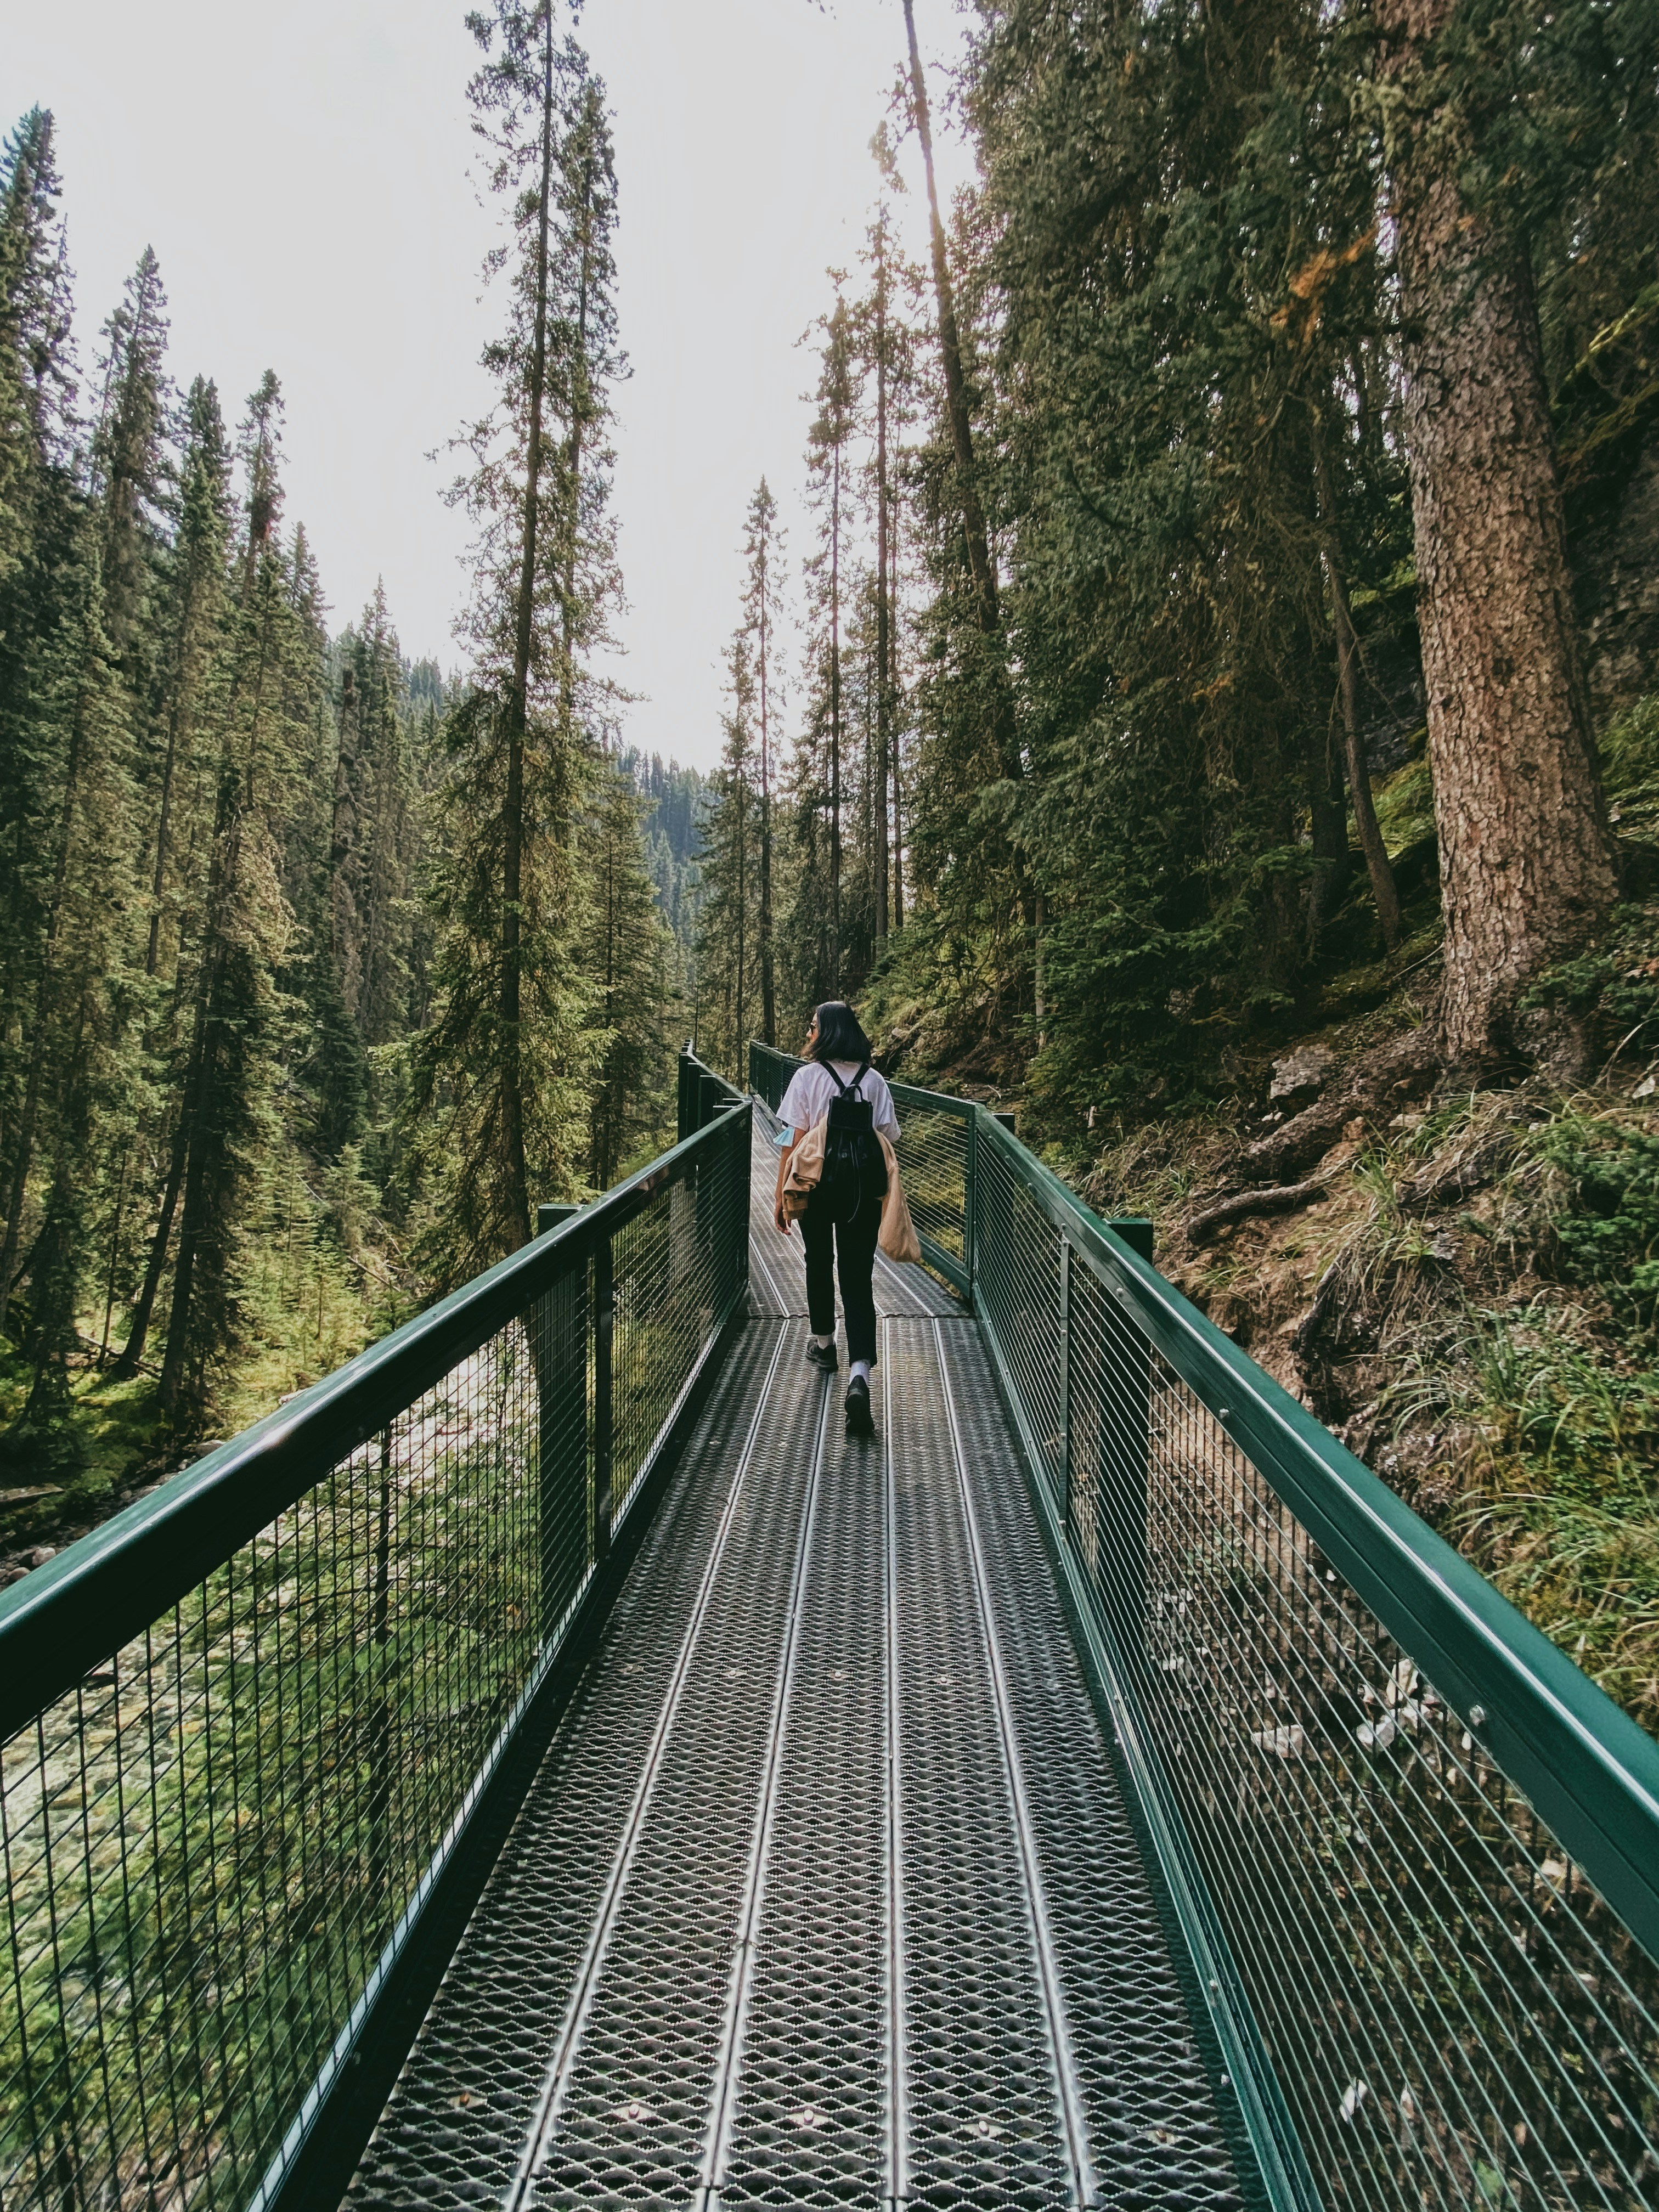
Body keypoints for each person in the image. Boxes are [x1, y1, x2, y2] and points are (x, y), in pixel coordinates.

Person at [772, 1001, 900, 1437]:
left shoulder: (807, 1078)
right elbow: (888, 1136)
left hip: (817, 1185)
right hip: (862, 1191)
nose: (808, 1034)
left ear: (827, 1031)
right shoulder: (875, 1080)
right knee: (858, 1276)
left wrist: (780, 1195)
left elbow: (790, 1138)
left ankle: (825, 1345)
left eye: (812, 1027)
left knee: (818, 1260)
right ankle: (860, 1373)